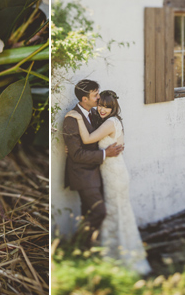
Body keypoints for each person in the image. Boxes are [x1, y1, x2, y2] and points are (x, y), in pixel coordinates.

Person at [65, 90, 152, 275]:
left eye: (107, 107)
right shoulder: (109, 122)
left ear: (114, 108)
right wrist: (72, 149)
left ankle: (117, 257)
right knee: (114, 212)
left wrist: (78, 119)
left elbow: (88, 139)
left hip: (114, 174)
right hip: (110, 171)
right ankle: (114, 254)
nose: (103, 109)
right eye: (101, 105)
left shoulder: (111, 122)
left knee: (114, 212)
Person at [63, 80, 124, 248]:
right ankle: (76, 244)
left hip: (99, 172)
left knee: (88, 211)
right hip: (83, 174)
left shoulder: (97, 114)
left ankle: (86, 247)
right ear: (84, 99)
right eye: (95, 95)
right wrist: (105, 153)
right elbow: (76, 154)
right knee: (99, 212)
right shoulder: (71, 119)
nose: (99, 98)